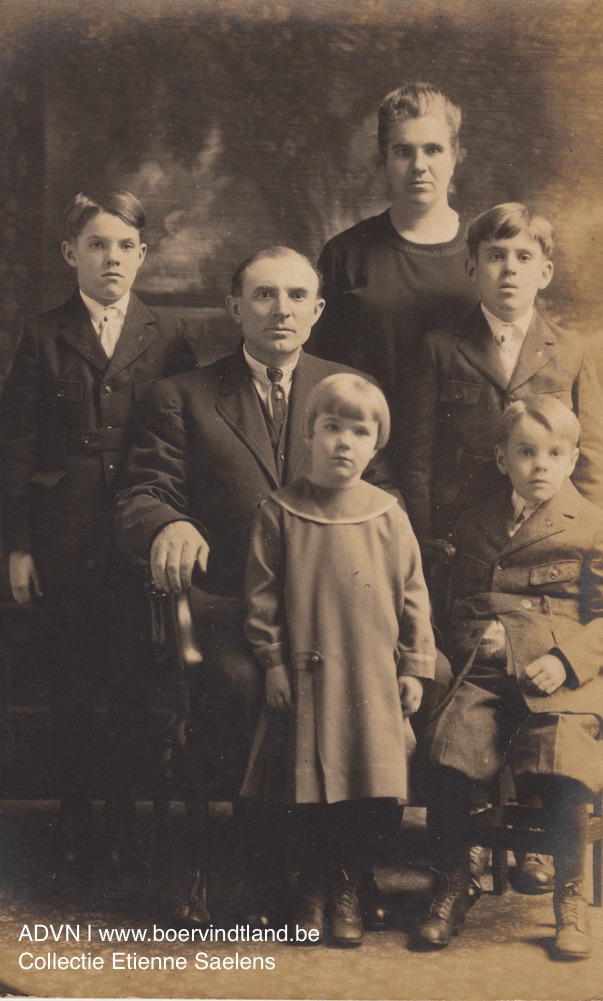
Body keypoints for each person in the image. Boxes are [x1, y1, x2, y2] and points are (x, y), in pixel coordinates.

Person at [114, 246, 395, 926]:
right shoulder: (183, 396)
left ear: (317, 310)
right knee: (244, 686)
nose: (281, 309)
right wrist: (167, 523)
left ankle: (343, 870)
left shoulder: (350, 389)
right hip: (234, 609)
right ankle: (269, 868)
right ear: (234, 307)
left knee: (380, 680)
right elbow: (142, 490)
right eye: (264, 295)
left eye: (297, 296)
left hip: (335, 609)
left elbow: (385, 494)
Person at [0, 189, 197, 871]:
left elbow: (185, 442)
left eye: (124, 246)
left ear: (142, 255)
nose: (112, 258)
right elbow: (15, 447)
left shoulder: (167, 336)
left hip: (136, 536)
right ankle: (75, 810)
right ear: (69, 254)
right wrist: (18, 545)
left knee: (134, 679)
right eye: (96, 245)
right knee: (71, 679)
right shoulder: (43, 334)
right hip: (64, 536)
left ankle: (122, 811)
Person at [411, 397, 603, 959]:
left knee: (566, 758)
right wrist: (477, 638)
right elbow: (457, 607)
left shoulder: (595, 527)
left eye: (554, 453)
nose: (540, 465)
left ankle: (569, 899)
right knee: (449, 749)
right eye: (526, 452)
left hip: (562, 681)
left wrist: (564, 659)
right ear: (502, 459)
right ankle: (451, 887)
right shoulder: (474, 523)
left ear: (573, 458)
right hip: (486, 676)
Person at [240, 373, 436, 946]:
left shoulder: (388, 514)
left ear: (376, 445)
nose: (344, 442)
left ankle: (348, 884)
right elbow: (261, 597)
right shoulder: (279, 511)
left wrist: (413, 667)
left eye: (360, 432)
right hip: (308, 675)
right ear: (309, 433)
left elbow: (414, 596)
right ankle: (312, 887)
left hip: (371, 675)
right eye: (331, 428)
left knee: (367, 786)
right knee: (306, 788)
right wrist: (273, 662)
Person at [400, 202, 603, 544]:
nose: (510, 268)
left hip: (548, 531)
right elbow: (417, 464)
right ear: (472, 270)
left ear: (545, 273)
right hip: (460, 529)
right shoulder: (439, 348)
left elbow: (590, 461)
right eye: (496, 256)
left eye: (524, 257)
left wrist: (593, 541)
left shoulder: (571, 351)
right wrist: (424, 543)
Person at [309, 82, 478, 424]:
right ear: (383, 160)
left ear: (455, 157)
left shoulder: (487, 252)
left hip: (464, 449)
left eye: (433, 150)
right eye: (403, 151)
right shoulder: (345, 254)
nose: (419, 165)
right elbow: (317, 372)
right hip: (365, 444)